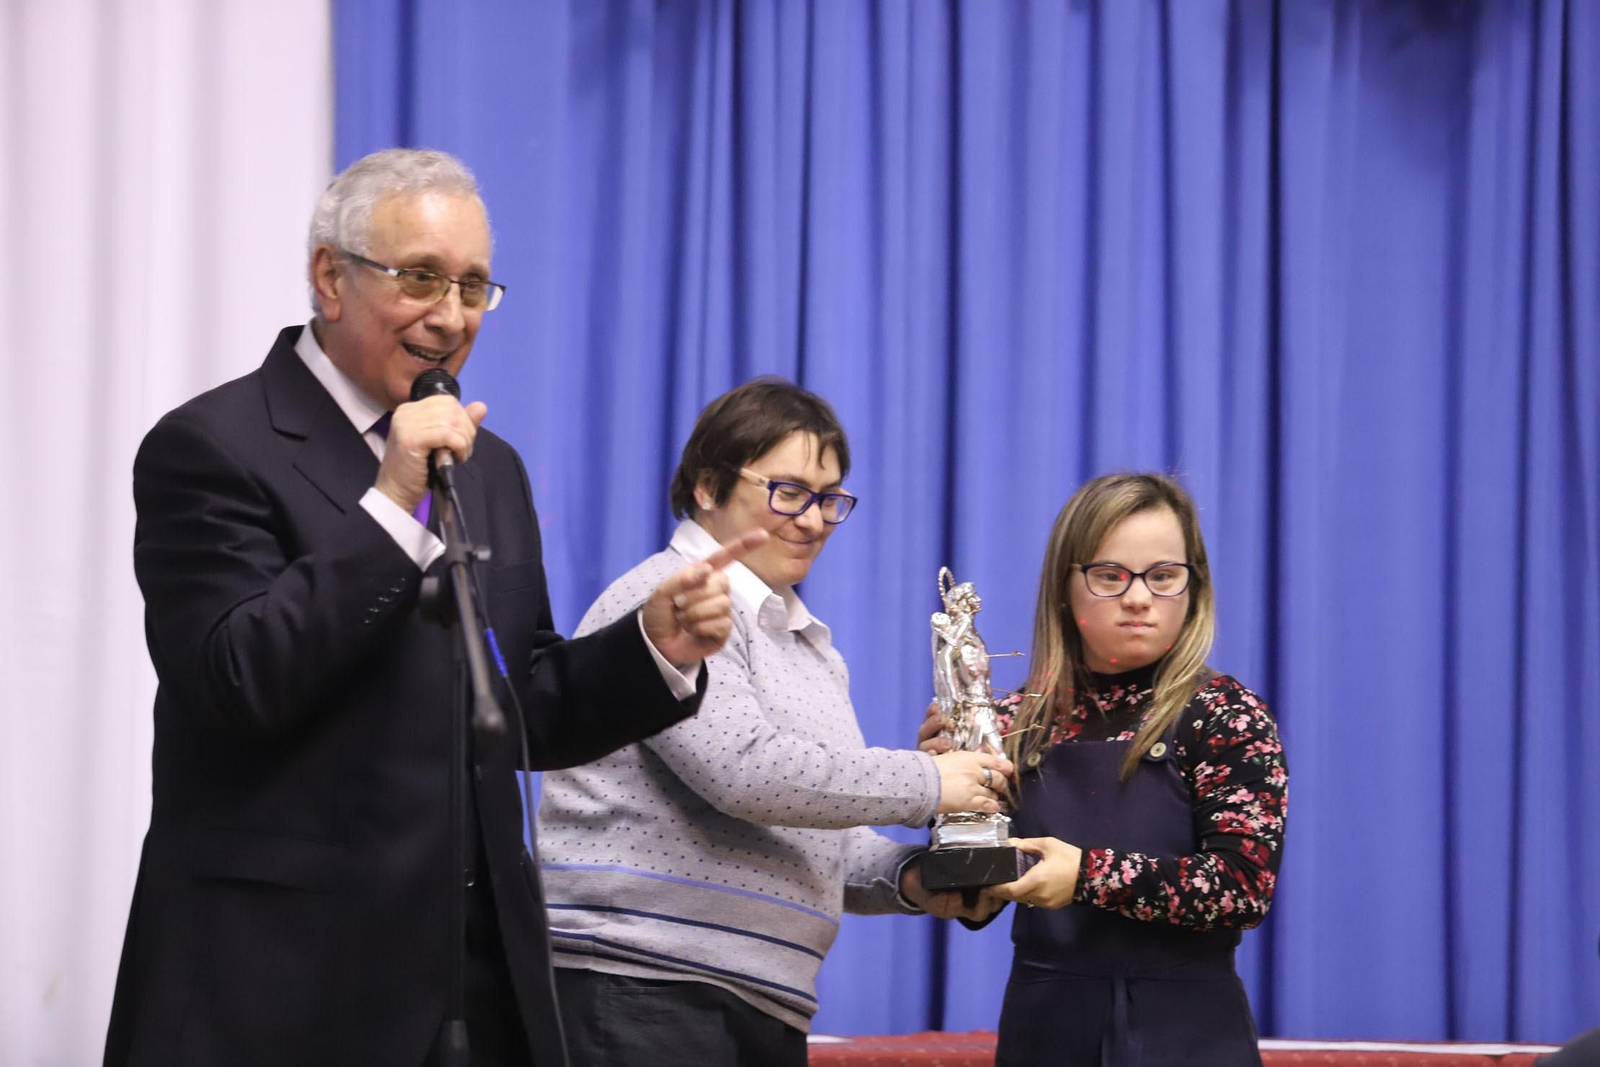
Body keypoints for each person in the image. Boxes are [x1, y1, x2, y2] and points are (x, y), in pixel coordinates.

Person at [104, 148, 761, 1067]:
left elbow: (518, 701)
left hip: (473, 988)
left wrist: (652, 645)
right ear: (331, 277)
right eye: (420, 278)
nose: (449, 317)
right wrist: (390, 501)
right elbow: (237, 677)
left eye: (473, 287)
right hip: (278, 988)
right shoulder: (213, 445)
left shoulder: (490, 467)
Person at [535, 378, 1013, 1067]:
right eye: (787, 491)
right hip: (640, 981)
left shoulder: (811, 647)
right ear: (707, 486)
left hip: (757, 997)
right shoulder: (670, 600)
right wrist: (931, 780)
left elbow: (822, 841)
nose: (814, 519)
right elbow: (745, 771)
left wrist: (921, 878)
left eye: (830, 499)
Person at [920, 472, 1288, 1067]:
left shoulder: (1224, 713)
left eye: (1163, 577)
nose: (1139, 598)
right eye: (1110, 576)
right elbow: (973, 898)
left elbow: (1242, 888)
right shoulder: (1009, 721)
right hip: (1043, 1029)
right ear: (1065, 588)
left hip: (1188, 1033)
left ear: (1194, 587)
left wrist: (1088, 874)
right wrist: (943, 800)